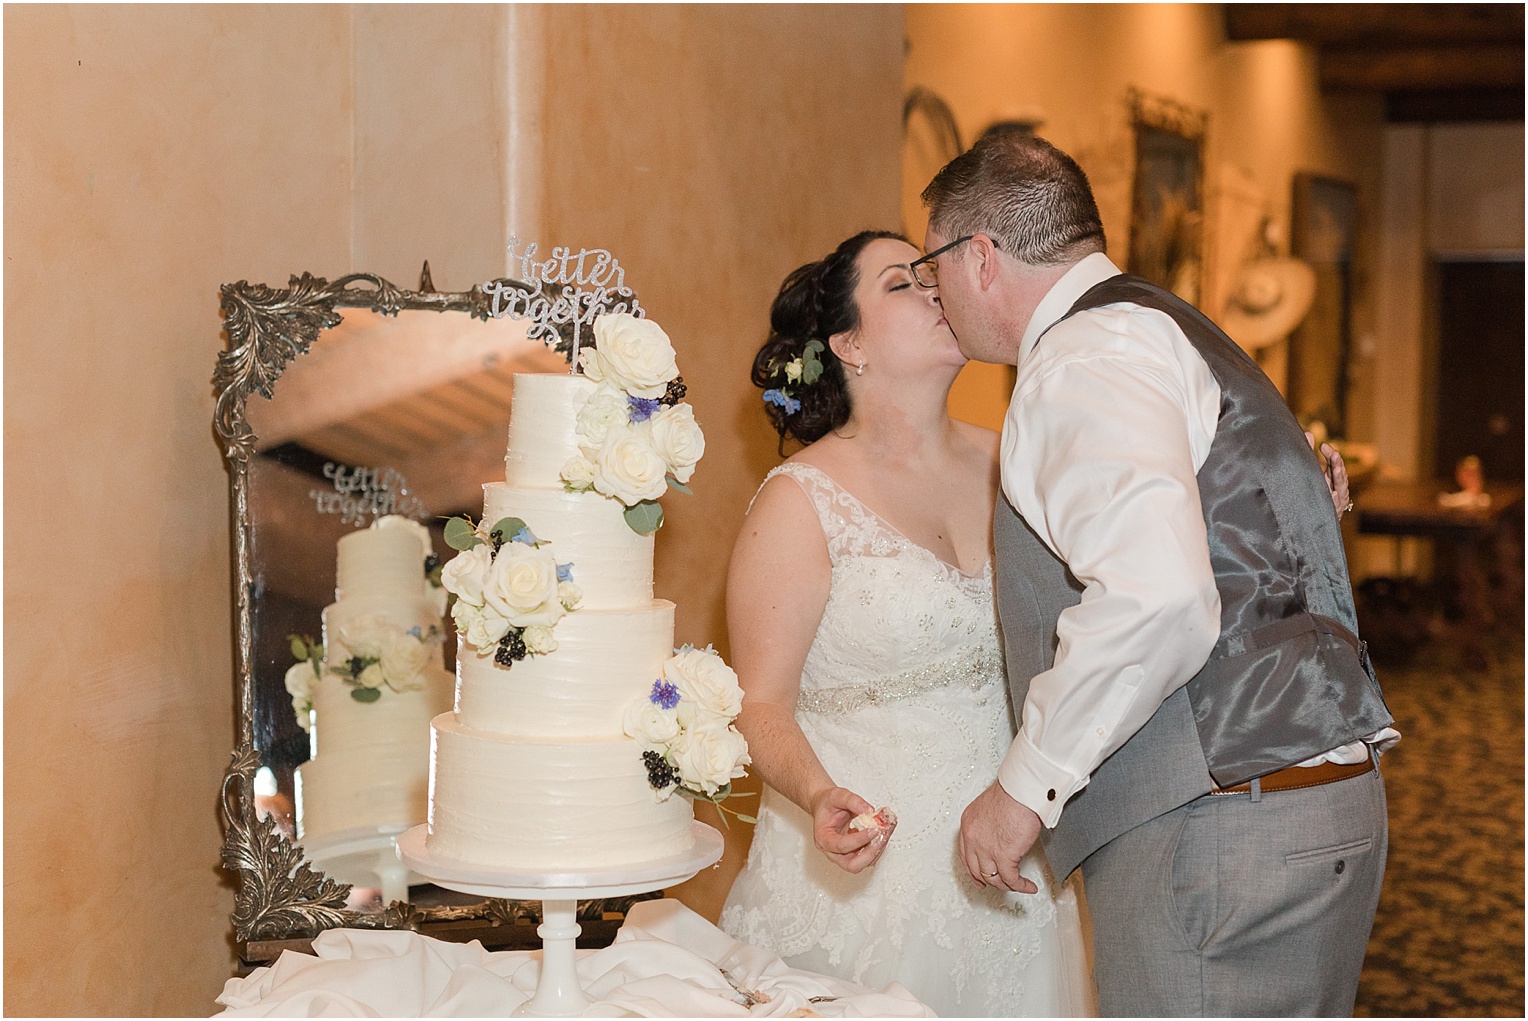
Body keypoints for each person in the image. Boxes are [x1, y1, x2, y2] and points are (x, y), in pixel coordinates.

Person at [918, 133, 1398, 1016]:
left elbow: (1161, 596)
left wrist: (1025, 787)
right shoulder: (1168, 325)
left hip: (1222, 829)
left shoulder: (1079, 360)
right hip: (1313, 796)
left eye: (931, 264)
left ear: (979, 257)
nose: (934, 293)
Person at [718, 230, 1095, 1017]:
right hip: (865, 879)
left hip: (1012, 856)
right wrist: (819, 793)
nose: (936, 291)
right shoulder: (800, 500)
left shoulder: (1015, 462)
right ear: (848, 343)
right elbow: (757, 702)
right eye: (902, 283)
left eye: (933, 277)